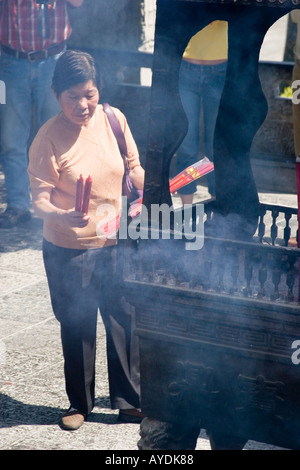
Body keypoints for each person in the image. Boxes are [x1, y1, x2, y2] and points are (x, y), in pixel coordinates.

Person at [28, 49, 145, 430]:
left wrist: (148, 193)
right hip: (68, 246)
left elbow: (133, 168)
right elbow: (40, 201)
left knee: (123, 318)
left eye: (89, 93)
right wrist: (63, 214)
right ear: (55, 94)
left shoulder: (114, 119)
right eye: (73, 96)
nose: (83, 104)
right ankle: (80, 403)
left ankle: (129, 400)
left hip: (116, 239)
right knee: (77, 324)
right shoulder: (47, 138)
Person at [0, 0, 84, 229]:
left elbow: (77, 3)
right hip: (9, 62)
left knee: (61, 137)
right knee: (10, 140)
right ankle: (18, 205)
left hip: (53, 60)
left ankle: (60, 204)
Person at [175, 20, 228, 203]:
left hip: (221, 68)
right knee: (187, 142)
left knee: (216, 143)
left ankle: (217, 206)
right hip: (185, 65)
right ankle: (186, 210)